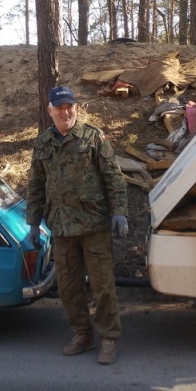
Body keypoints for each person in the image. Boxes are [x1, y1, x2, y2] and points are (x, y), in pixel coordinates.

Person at [26, 85, 129, 365]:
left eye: (69, 106)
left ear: (76, 107)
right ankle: (82, 334)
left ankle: (109, 338)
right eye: (59, 107)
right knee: (69, 286)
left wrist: (119, 212)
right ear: (50, 111)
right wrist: (33, 223)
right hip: (61, 227)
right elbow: (35, 185)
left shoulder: (93, 137)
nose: (65, 111)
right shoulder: (43, 143)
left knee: (102, 285)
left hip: (94, 225)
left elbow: (114, 178)